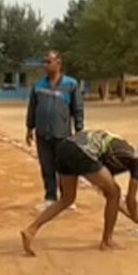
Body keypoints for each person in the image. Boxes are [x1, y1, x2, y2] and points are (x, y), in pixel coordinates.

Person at [21, 129, 138, 256]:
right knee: (115, 191)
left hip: (65, 148)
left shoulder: (121, 155)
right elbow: (130, 198)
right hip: (82, 151)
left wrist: (131, 216)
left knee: (67, 199)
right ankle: (107, 241)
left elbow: (109, 195)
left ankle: (31, 230)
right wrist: (135, 216)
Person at [26, 49, 85, 211]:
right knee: (47, 166)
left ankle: (68, 199)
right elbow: (32, 107)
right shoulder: (38, 86)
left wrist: (79, 131)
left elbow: (77, 109)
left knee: (65, 168)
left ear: (58, 63)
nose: (45, 65)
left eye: (48, 62)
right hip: (42, 133)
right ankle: (50, 197)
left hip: (62, 134)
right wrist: (29, 128)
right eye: (44, 62)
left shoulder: (71, 85)